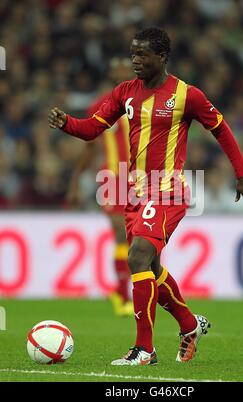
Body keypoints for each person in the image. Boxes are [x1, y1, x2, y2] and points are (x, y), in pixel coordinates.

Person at [48, 27, 243, 366]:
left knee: (137, 257)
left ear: (161, 57)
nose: (135, 60)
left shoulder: (187, 95)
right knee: (152, 268)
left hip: (168, 190)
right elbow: (93, 128)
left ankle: (144, 349)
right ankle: (189, 325)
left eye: (142, 54)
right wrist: (66, 123)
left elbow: (221, 128)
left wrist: (242, 173)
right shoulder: (125, 92)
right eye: (133, 54)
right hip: (134, 192)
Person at [66, 58, 134, 316]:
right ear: (111, 72)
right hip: (114, 178)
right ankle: (122, 294)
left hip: (144, 179)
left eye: (126, 68)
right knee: (120, 232)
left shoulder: (148, 101)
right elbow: (90, 146)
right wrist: (75, 181)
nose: (122, 72)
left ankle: (121, 291)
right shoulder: (102, 105)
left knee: (138, 240)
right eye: (117, 68)